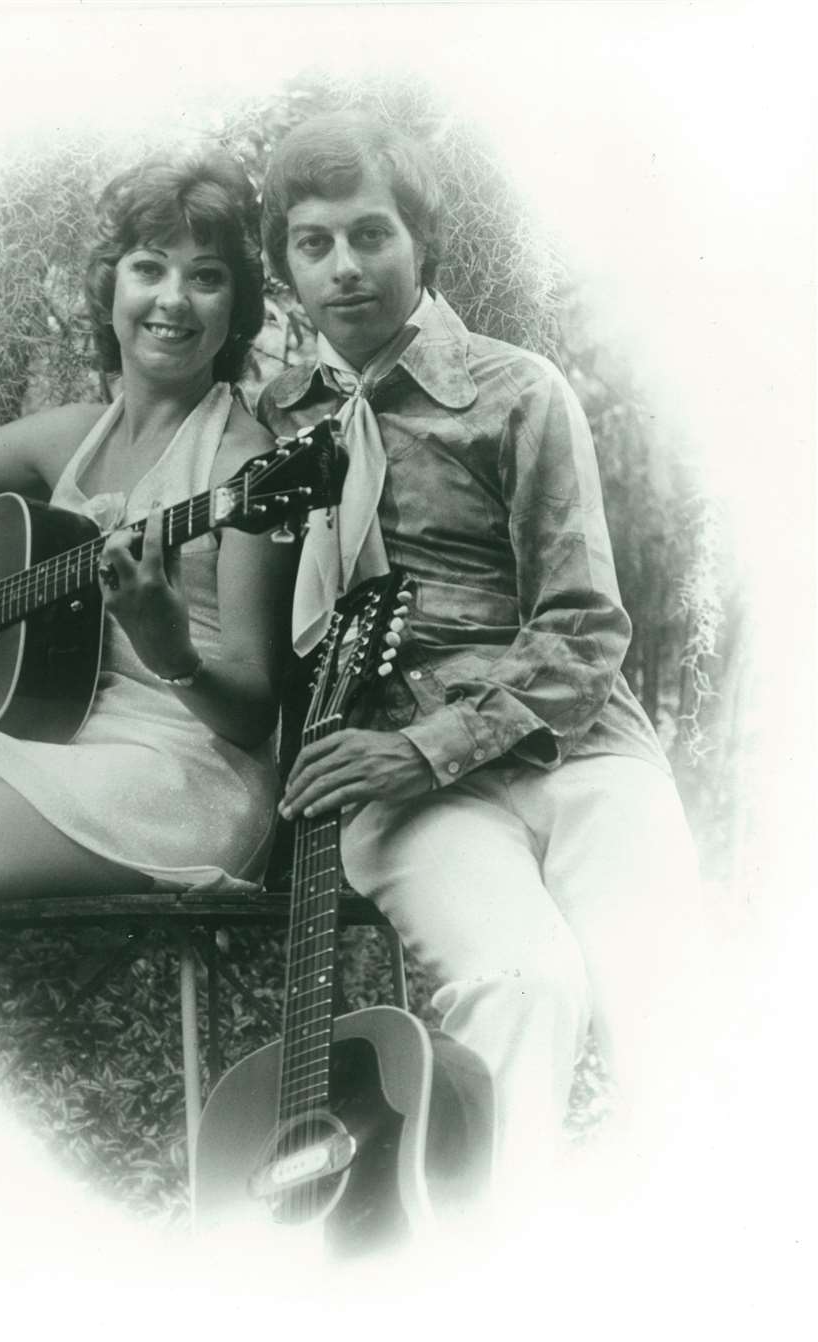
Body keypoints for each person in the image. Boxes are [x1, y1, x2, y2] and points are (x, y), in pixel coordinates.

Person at [257, 112, 705, 1214]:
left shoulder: (515, 391)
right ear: (286, 272)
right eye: (314, 244)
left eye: (372, 233)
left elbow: (588, 627)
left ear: (423, 242)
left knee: (669, 999)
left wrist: (429, 748)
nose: (346, 265)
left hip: (577, 746)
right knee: (519, 983)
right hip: (397, 779)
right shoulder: (277, 432)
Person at [0, 148, 296, 935]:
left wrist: (171, 650)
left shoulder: (247, 467)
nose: (173, 300)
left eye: (207, 277)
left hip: (179, 773)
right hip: (52, 736)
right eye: (150, 268)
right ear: (111, 286)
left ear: (235, 310)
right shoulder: (72, 436)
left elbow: (251, 714)